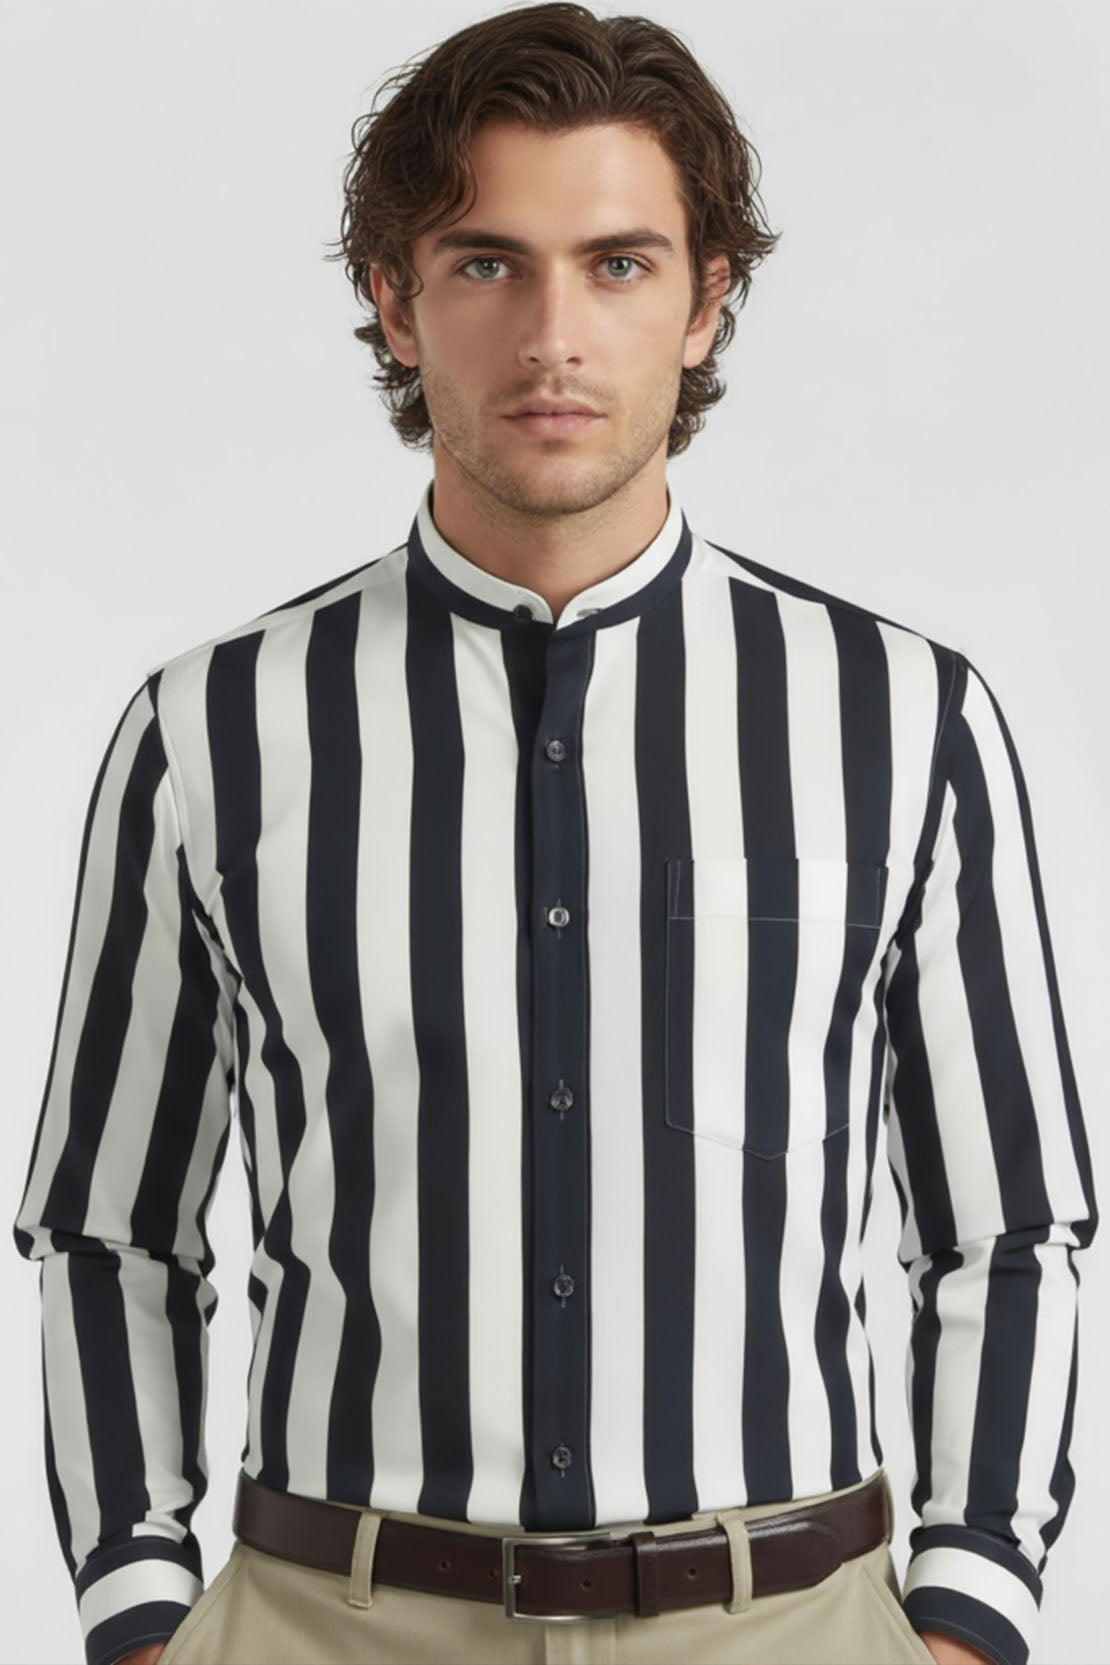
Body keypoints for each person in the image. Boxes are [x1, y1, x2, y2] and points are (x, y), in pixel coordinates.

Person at [12, 6, 1096, 1665]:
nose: (551, 338)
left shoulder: (900, 716)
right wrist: (140, 1610)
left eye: (616, 264)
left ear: (704, 298)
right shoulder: (212, 729)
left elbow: (1004, 1227)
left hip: (784, 1625)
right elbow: (110, 1228)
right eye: (485, 264)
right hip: (325, 1623)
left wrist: (966, 1614)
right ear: (394, 299)